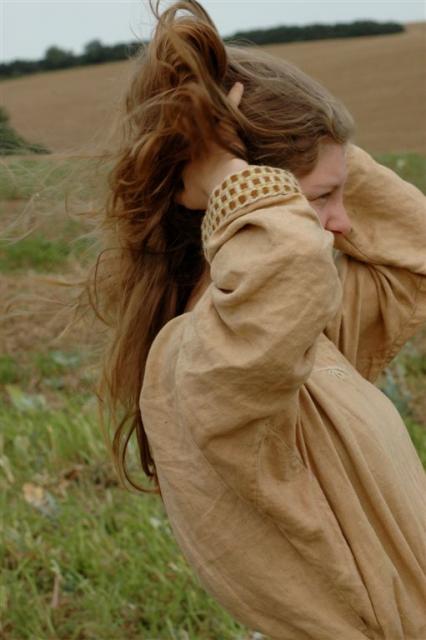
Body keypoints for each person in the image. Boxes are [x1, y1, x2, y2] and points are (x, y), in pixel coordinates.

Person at [84, 1, 426, 637]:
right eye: (322, 199)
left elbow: (415, 256)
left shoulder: (302, 340)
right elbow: (289, 261)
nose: (344, 223)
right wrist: (226, 171)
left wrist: (318, 149)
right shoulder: (211, 363)